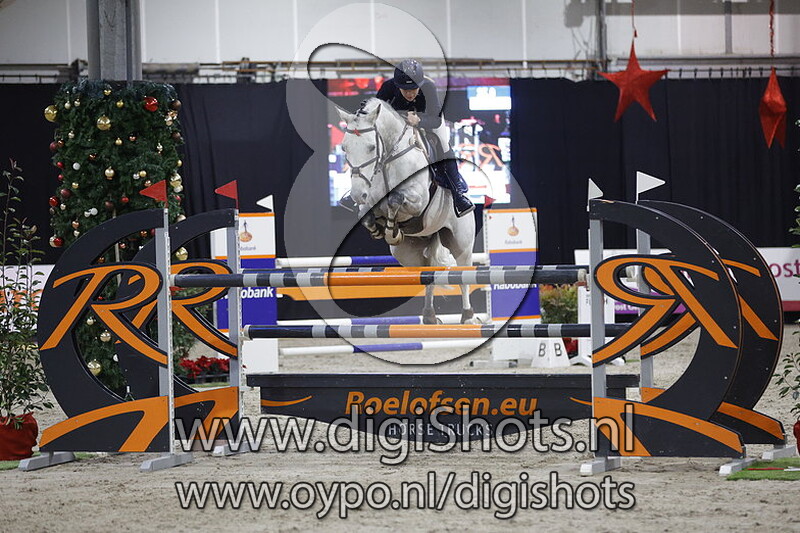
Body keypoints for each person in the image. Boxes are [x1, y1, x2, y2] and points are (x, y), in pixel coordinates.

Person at [339, 59, 475, 218]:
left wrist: (419, 121)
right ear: (398, 86)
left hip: (427, 122)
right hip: (398, 126)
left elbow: (436, 120)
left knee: (443, 144)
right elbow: (375, 110)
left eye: (413, 89)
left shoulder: (428, 87)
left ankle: (457, 192)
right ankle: (357, 192)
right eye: (405, 90)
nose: (410, 94)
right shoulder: (388, 87)